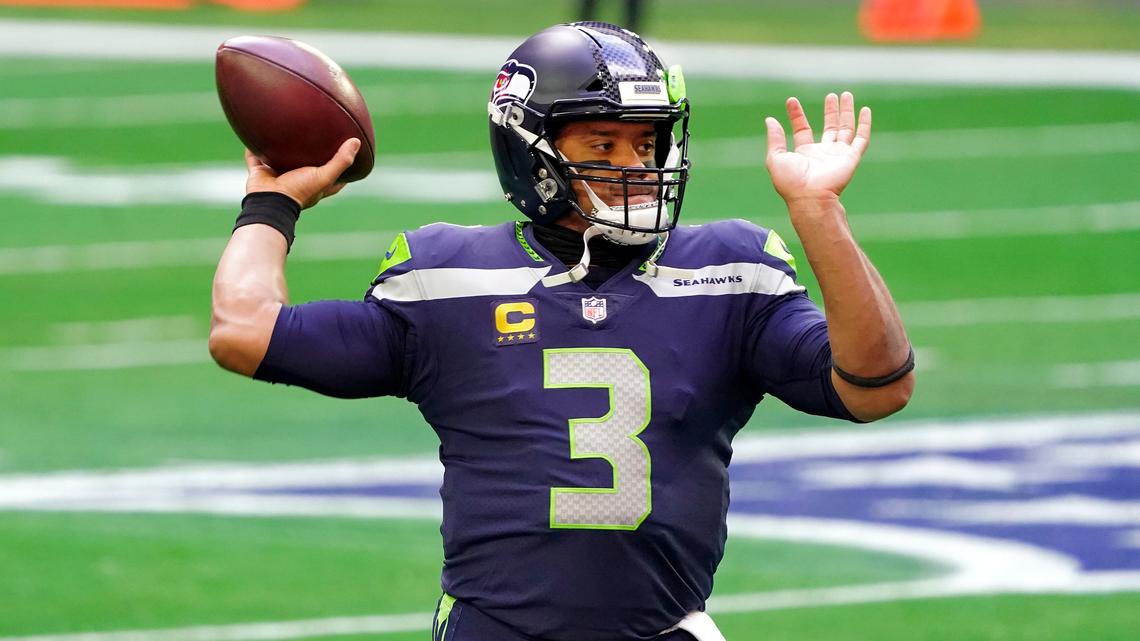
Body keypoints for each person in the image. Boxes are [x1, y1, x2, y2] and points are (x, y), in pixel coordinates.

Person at [209, 21, 914, 641]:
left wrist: (820, 215)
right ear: (531, 151)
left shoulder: (731, 270)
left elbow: (876, 383)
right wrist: (273, 202)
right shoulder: (448, 279)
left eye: (647, 141)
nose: (635, 164)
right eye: (603, 142)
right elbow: (244, 331)